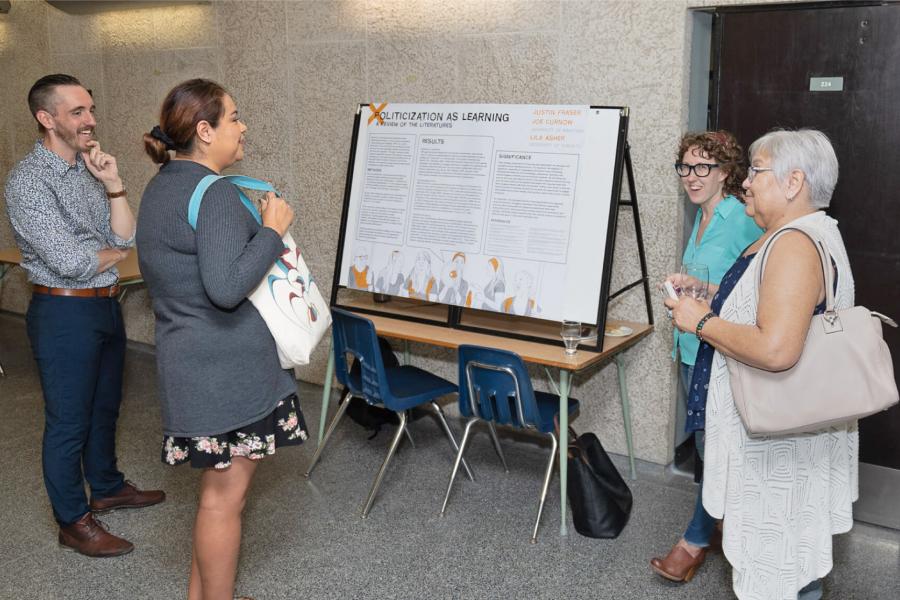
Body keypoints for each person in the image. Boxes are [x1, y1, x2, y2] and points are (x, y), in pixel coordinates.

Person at [136, 79, 308, 600]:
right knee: (223, 501)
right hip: (227, 371)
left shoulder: (165, 185)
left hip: (190, 361)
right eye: (234, 117)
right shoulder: (213, 194)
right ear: (205, 132)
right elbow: (228, 288)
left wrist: (249, 234)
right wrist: (273, 231)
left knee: (215, 494)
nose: (243, 126)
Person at [665, 129, 854, 600]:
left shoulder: (792, 244)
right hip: (790, 433)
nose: (745, 183)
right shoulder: (811, 233)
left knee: (778, 569)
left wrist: (701, 321)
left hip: (774, 445)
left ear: (793, 182)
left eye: (756, 171)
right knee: (794, 563)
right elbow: (770, 308)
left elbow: (776, 349)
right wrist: (710, 295)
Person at [3, 74, 165, 558]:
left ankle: (108, 486)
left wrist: (114, 186)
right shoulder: (27, 182)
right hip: (62, 312)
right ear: (46, 119)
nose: (91, 119)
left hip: (103, 305)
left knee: (104, 407)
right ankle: (73, 521)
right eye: (77, 112)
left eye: (90, 109)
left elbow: (125, 236)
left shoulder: (87, 171)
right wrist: (111, 252)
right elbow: (71, 262)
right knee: (68, 421)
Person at [650, 131, 762, 581]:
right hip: (691, 345)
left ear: (726, 172)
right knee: (705, 445)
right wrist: (692, 289)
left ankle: (694, 540)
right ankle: (722, 523)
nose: (692, 178)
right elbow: (720, 282)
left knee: (713, 448)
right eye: (685, 167)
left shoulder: (741, 217)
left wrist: (704, 293)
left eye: (703, 168)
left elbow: (755, 289)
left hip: (720, 349)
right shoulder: (701, 215)